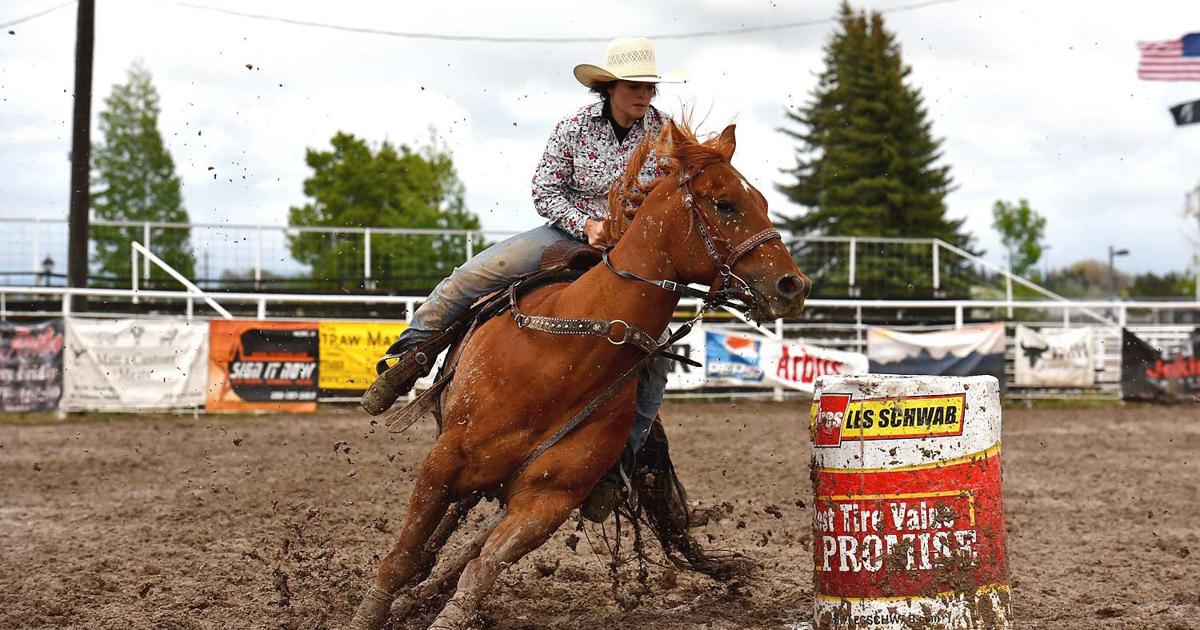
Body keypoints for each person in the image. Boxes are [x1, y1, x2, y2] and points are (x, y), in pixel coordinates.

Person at [366, 37, 687, 521]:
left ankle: (617, 464)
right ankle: (411, 356)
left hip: (630, 254)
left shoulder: (665, 136)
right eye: (635, 86)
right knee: (473, 276)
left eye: (649, 86)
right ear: (611, 87)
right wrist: (588, 226)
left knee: (655, 350)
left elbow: (674, 199)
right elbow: (546, 188)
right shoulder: (575, 128)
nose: (644, 94)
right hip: (565, 232)